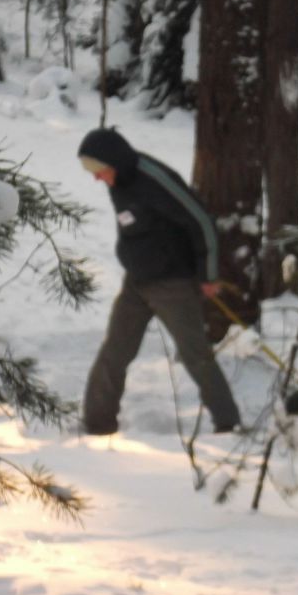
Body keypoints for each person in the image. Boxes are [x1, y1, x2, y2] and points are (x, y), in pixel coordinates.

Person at [77, 127, 242, 436]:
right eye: (89, 170)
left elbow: (201, 221)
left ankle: (228, 424)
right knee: (115, 352)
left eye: (96, 169)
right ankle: (96, 424)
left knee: (196, 355)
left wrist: (207, 275)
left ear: (114, 161)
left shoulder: (154, 179)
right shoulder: (119, 182)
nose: (95, 177)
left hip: (173, 285)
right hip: (137, 283)